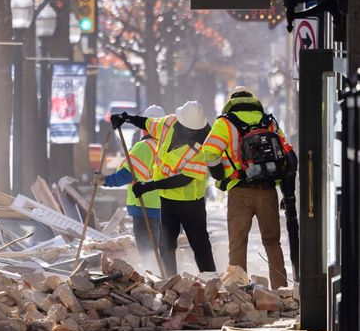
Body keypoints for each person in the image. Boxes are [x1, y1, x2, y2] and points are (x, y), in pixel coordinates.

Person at [201, 86, 296, 289]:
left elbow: (209, 151)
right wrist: (282, 188)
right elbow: (283, 155)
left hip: (239, 191)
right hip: (268, 190)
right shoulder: (269, 122)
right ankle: (280, 290)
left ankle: (239, 291)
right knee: (272, 242)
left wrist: (220, 178)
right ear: (253, 100)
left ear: (231, 101)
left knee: (238, 244)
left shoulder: (225, 123)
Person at [112, 101, 216, 277]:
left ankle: (210, 278)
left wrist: (150, 185)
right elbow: (147, 123)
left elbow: (184, 179)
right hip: (167, 199)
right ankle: (169, 280)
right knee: (166, 245)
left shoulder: (203, 144)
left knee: (199, 243)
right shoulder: (169, 123)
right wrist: (126, 118)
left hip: (191, 202)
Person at [97, 104, 164, 269]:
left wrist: (105, 180)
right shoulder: (168, 146)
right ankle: (165, 277)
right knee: (162, 249)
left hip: (144, 207)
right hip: (166, 206)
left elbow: (126, 175)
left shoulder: (144, 147)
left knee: (147, 250)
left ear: (144, 128)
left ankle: (153, 277)